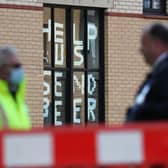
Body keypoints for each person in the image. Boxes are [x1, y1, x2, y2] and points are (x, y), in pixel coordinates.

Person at [126, 23, 168, 122]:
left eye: (144, 44)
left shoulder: (164, 72)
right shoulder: (157, 72)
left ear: (157, 44)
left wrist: (138, 112)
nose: (141, 50)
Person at [0, 46, 31, 129]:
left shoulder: (18, 100)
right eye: (15, 66)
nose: (19, 70)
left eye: (19, 66)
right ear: (1, 69)